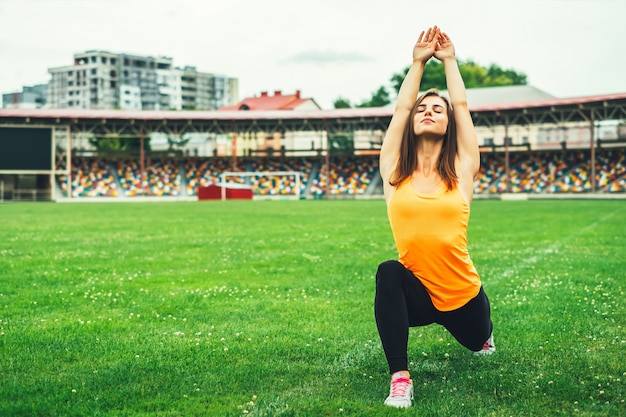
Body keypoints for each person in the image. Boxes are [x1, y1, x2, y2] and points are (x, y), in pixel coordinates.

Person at [374, 26, 495, 409]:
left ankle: (485, 335)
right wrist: (416, 64)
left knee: (478, 341)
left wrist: (449, 62)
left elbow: (461, 106)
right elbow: (401, 108)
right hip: (419, 297)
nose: (427, 112)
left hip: (463, 298)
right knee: (387, 271)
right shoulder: (394, 172)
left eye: (436, 109)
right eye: (423, 109)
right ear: (414, 122)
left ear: (447, 124)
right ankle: (400, 379)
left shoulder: (461, 170)